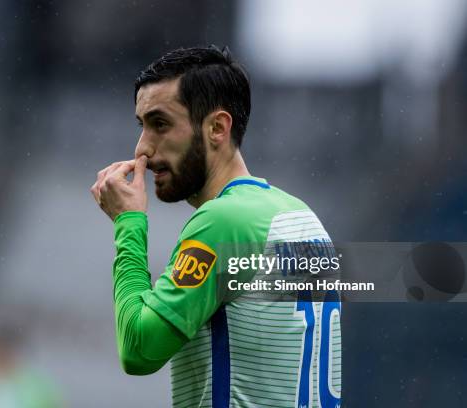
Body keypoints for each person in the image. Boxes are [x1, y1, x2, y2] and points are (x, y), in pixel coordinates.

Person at [91, 45, 341, 408]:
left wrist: (128, 224)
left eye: (160, 124)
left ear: (217, 128)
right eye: (141, 125)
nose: (142, 148)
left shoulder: (223, 222)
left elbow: (139, 350)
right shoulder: (302, 216)